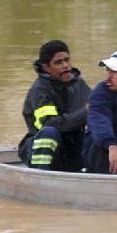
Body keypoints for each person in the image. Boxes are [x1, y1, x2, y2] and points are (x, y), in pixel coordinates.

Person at [19, 40, 93, 171]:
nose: (66, 66)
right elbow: (51, 124)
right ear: (46, 67)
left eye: (67, 60)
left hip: (73, 149)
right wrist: (85, 112)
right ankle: (39, 176)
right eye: (59, 62)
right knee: (49, 132)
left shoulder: (79, 84)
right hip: (47, 150)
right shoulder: (40, 91)